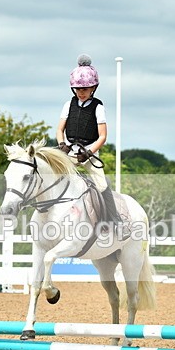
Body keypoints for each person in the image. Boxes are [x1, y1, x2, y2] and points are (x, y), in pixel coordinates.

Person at [56, 54, 125, 236]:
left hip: (89, 153)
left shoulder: (98, 107)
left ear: (94, 87)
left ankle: (113, 221)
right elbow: (59, 130)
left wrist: (88, 153)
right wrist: (62, 144)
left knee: (102, 185)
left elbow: (102, 137)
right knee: (52, 177)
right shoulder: (67, 105)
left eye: (85, 88)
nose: (82, 92)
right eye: (78, 89)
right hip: (70, 151)